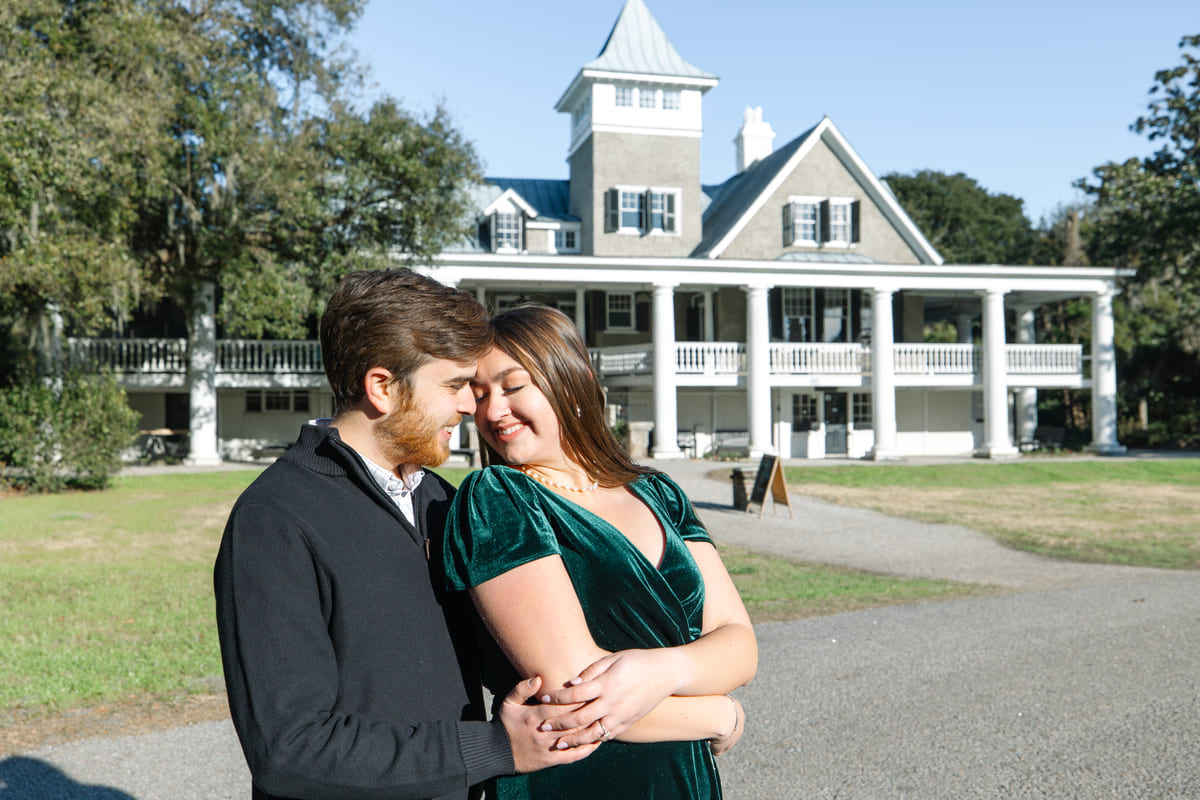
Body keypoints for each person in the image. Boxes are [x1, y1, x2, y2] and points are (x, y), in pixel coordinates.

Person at [213, 271, 600, 800]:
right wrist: (492, 747)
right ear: (382, 387)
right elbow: (288, 749)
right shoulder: (274, 519)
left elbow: (518, 663)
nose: (471, 406)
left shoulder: (443, 502)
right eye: (453, 385)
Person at [439, 304, 758, 799]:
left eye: (512, 386)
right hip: (577, 780)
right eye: (479, 396)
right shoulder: (497, 499)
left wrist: (665, 668)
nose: (492, 411)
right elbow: (576, 695)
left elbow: (739, 643)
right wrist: (719, 714)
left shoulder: (659, 492)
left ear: (572, 379)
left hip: (683, 778)